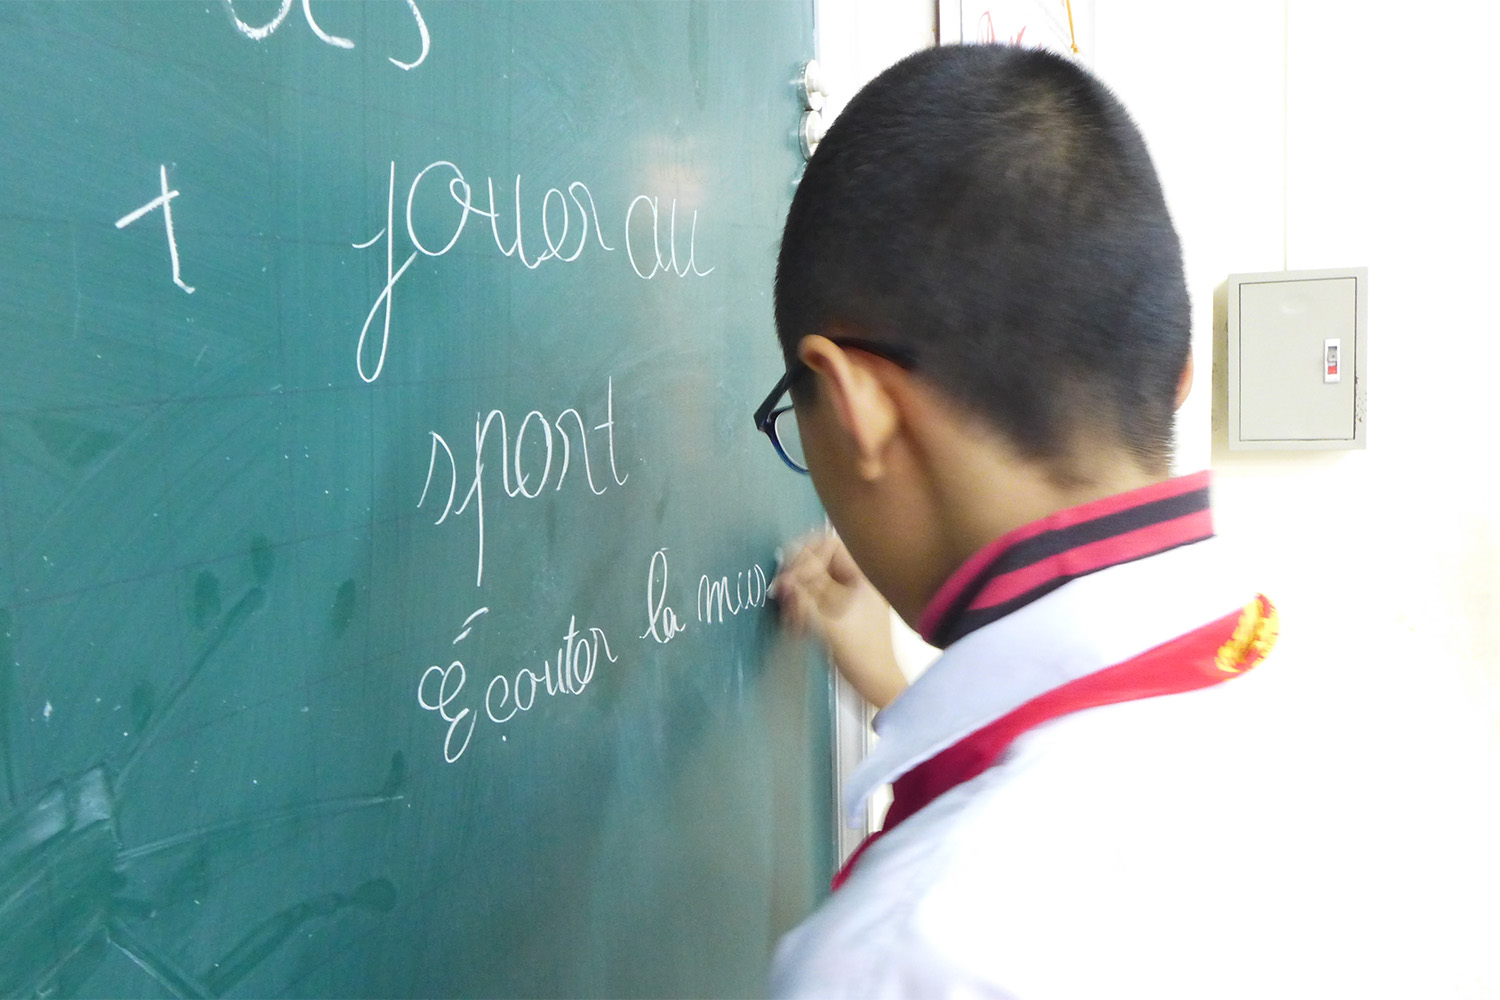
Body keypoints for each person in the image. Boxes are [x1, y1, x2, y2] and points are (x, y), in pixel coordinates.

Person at [755, 44, 1307, 999]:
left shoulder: (901, 958)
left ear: (856, 409)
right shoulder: (1252, 676)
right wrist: (892, 683)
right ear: (1173, 379)